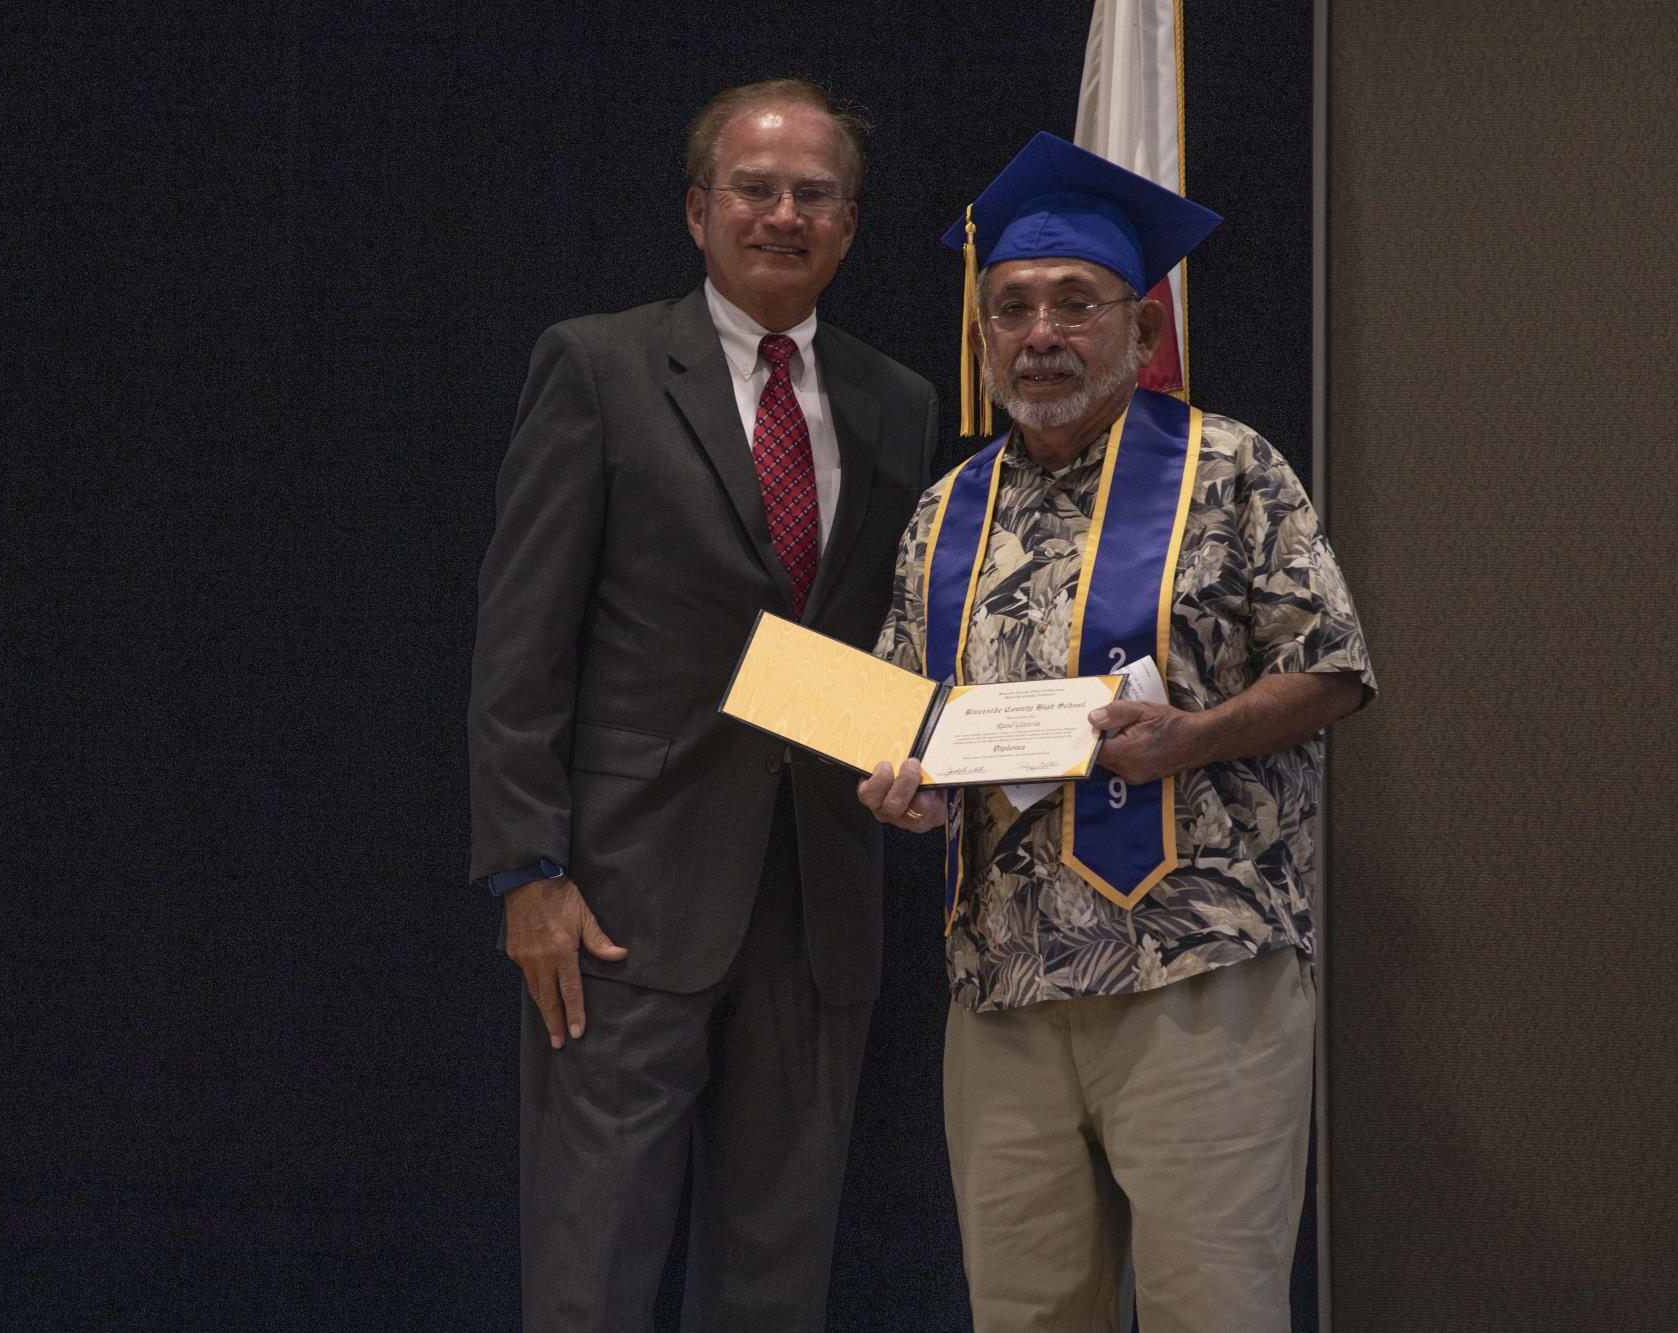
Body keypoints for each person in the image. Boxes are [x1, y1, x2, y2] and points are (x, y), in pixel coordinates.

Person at [858, 132, 1376, 1333]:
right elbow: (901, 710)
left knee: (1212, 1310)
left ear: (1140, 332)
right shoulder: (946, 509)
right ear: (982, 338)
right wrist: (893, 784)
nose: (1040, 333)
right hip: (999, 983)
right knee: (1027, 1316)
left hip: (1195, 971)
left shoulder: (1231, 468)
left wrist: (1188, 738)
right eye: (1012, 309)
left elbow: (1335, 668)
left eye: (1075, 305)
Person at [468, 79, 938, 1331]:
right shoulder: (599, 366)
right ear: (696, 210)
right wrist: (527, 870)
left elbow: (888, 645)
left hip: (822, 896)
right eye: (754, 187)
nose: (782, 213)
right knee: (593, 1267)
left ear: (847, 222)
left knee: (777, 1278)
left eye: (813, 193)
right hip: (622, 903)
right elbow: (521, 646)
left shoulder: (901, 402)